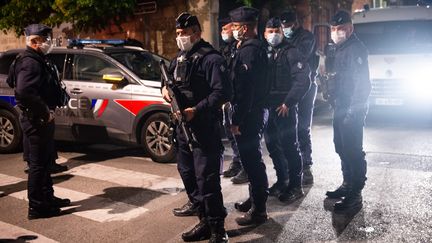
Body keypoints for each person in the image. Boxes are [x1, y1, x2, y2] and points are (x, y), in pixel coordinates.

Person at [161, 12, 230, 242]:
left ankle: (218, 230)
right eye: (177, 33)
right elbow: (168, 81)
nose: (179, 37)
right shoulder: (180, 58)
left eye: (183, 33)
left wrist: (196, 110)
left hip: (203, 127)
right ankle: (203, 220)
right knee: (188, 174)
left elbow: (222, 92)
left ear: (196, 33)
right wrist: (163, 90)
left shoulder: (211, 59)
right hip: (182, 127)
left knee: (207, 180)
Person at [13, 24, 71, 219]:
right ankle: (37, 207)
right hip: (37, 120)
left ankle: (47, 198)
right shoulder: (30, 62)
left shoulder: (36, 59)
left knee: (45, 162)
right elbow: (22, 91)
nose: (49, 43)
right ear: (34, 41)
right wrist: (44, 111)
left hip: (40, 119)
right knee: (37, 165)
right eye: (46, 39)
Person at [324, 10, 371, 213]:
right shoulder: (337, 48)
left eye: (340, 29)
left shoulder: (356, 49)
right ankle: (347, 183)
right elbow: (333, 75)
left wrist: (353, 110)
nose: (336, 32)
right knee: (340, 147)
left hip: (353, 107)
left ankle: (355, 193)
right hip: (341, 105)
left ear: (350, 29)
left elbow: (363, 85)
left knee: (353, 150)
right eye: (334, 29)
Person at [228, 6, 270, 226]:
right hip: (254, 112)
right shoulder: (250, 48)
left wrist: (237, 121)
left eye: (235, 26)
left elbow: (246, 91)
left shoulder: (249, 51)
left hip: (249, 115)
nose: (233, 30)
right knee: (251, 161)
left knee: (252, 162)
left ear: (244, 28)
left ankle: (259, 211)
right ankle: (255, 200)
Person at [262, 17, 311, 202]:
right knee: (273, 147)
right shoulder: (265, 52)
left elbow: (302, 80)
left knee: (290, 147)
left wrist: (288, 103)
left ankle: (296, 186)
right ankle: (282, 181)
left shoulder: (291, 52)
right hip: (268, 108)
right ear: (264, 34)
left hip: (284, 108)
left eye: (277, 31)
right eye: (270, 31)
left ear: (282, 32)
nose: (274, 35)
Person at [280, 10, 319, 185]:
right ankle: (290, 167)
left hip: (306, 87)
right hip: (287, 88)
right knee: (287, 129)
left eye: (288, 25)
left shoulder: (306, 38)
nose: (285, 29)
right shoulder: (282, 39)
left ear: (295, 24)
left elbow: (300, 55)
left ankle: (306, 166)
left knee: (302, 127)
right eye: (283, 26)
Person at [218, 17, 248, 185]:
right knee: (230, 133)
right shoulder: (227, 49)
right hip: (228, 98)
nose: (225, 32)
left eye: (227, 28)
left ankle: (244, 166)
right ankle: (237, 162)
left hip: (238, 98)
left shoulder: (242, 48)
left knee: (240, 134)